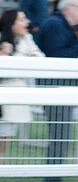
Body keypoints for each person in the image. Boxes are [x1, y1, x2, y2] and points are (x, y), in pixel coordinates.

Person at [35, 0, 78, 182]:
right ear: (68, 8)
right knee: (60, 137)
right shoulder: (55, 25)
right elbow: (56, 56)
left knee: (61, 137)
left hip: (64, 89)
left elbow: (77, 55)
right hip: (55, 90)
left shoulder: (67, 26)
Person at [0, 9, 42, 159]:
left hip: (14, 100)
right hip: (3, 99)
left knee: (4, 143)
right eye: (22, 19)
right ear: (12, 25)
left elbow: (40, 58)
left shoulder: (27, 39)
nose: (27, 22)